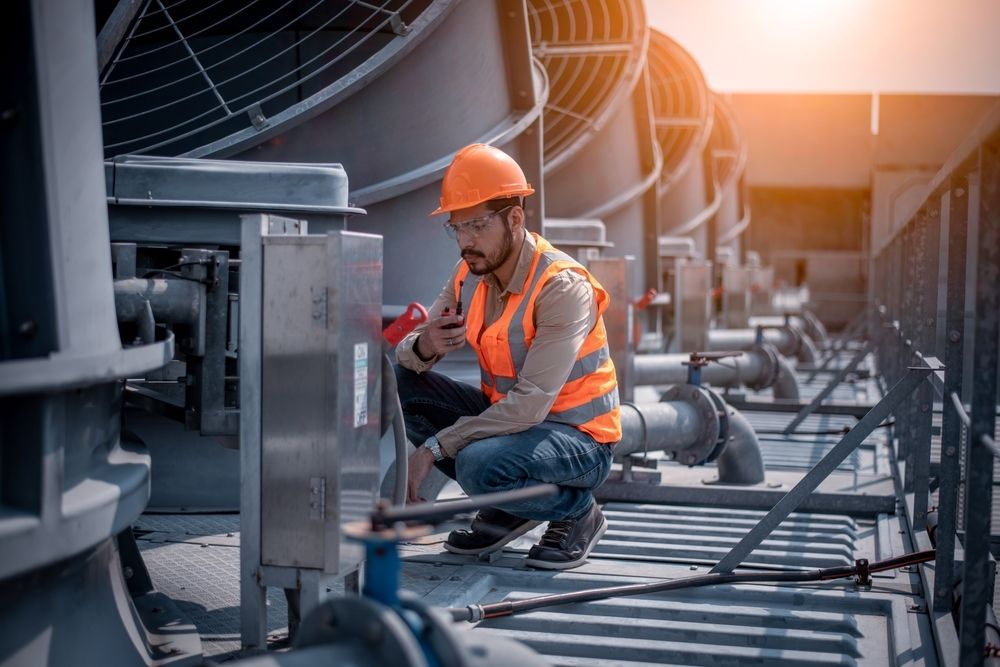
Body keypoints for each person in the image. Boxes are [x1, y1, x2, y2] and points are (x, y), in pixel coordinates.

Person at [394, 143, 621, 570]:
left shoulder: (561, 286)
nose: (465, 242)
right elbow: (407, 355)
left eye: (476, 226)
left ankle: (578, 513)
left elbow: (533, 403)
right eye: (456, 228)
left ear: (515, 219)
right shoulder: (470, 274)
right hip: (513, 427)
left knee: (479, 463)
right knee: (401, 386)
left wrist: (434, 448)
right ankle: (511, 507)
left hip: (579, 441)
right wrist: (426, 347)